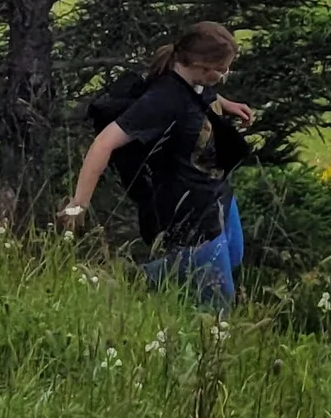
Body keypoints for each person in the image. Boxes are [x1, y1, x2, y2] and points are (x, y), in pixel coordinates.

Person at [60, 20, 255, 304]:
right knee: (218, 299)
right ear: (200, 65)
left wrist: (226, 104)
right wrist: (79, 204)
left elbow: (202, 95)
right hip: (190, 212)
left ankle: (141, 279)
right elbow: (103, 143)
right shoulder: (163, 100)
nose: (224, 75)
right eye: (222, 70)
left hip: (218, 193)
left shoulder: (195, 82)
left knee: (234, 255)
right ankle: (137, 283)